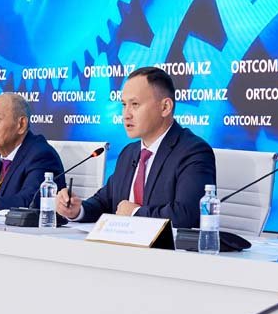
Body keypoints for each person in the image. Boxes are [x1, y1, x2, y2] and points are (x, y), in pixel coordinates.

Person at [57, 66, 215, 229]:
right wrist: (77, 210)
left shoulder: (193, 152)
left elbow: (187, 215)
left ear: (165, 107)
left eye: (135, 104)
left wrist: (135, 213)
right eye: (124, 105)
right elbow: (104, 202)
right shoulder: (129, 153)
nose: (126, 114)